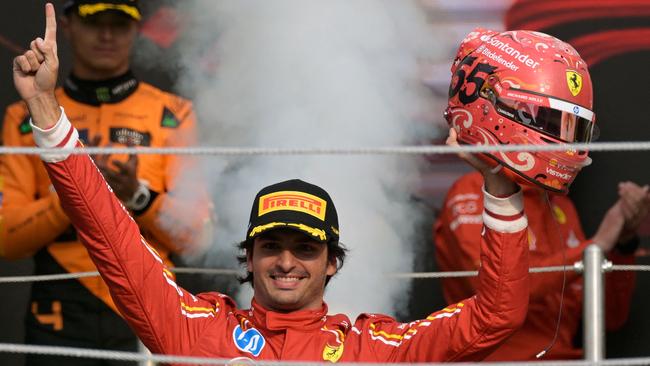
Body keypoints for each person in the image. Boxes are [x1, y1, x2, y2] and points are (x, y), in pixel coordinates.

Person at [12, 4, 531, 363]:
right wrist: (44, 109)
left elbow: (497, 314)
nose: (286, 262)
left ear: (333, 262)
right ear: (249, 257)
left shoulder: (374, 347)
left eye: (305, 248)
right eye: (272, 246)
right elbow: (110, 237)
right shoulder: (197, 329)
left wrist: (502, 187)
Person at [1, 1, 212, 364]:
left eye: (119, 23)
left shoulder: (173, 114)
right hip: (60, 307)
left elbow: (197, 238)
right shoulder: (27, 114)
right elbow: (6, 237)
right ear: (68, 27)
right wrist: (77, 191)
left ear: (136, 30)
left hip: (150, 302)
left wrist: (138, 197)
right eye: (94, 21)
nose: (107, 34)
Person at [434, 28, 650, 360]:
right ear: (503, 107)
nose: (563, 142)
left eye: (571, 128)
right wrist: (595, 247)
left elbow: (612, 318)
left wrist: (622, 242)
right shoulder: (467, 195)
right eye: (549, 121)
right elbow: (490, 294)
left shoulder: (560, 207)